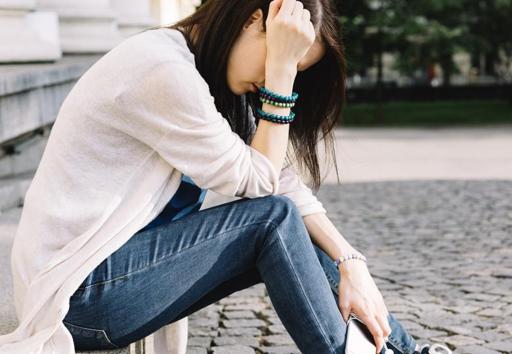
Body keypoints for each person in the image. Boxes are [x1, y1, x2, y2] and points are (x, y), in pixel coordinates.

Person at [0, 0, 452, 353]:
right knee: (270, 220)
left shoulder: (205, 78)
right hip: (76, 297)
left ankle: (402, 350)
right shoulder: (160, 69)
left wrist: (353, 264)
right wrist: (278, 76)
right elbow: (259, 188)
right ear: (251, 21)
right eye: (286, 58)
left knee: (283, 220)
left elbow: (282, 182)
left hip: (103, 283)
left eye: (296, 68)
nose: (286, 77)